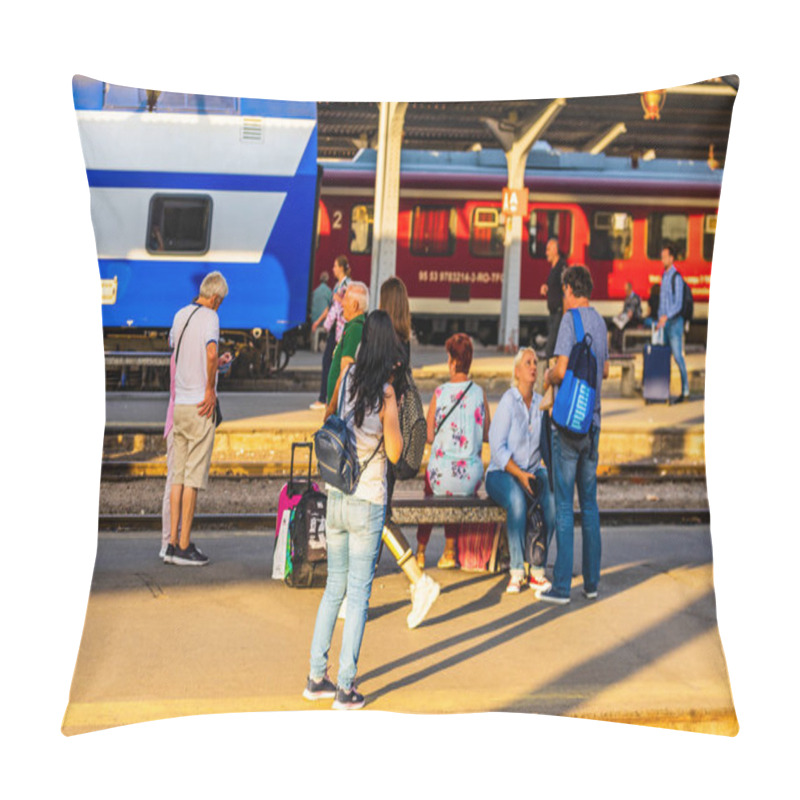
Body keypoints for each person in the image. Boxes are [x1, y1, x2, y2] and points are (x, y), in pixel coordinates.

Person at [303, 310, 404, 710]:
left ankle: (316, 677)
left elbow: (330, 416)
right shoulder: (385, 393)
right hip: (367, 502)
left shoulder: (346, 379)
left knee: (334, 589)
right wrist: (391, 409)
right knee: (359, 597)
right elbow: (394, 452)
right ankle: (346, 686)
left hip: (337, 496)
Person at [539, 265, 609, 604]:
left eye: (564, 291)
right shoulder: (600, 322)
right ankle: (592, 584)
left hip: (567, 426)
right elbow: (605, 369)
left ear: (569, 289)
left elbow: (563, 369)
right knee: (591, 506)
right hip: (592, 423)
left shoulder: (571, 321)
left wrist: (550, 373)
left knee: (565, 505)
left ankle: (563, 587)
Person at [378, 276, 441, 630]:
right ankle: (355, 593)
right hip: (395, 439)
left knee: (380, 516)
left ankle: (420, 581)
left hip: (385, 440)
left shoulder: (388, 347)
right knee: (378, 515)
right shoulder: (403, 343)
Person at [163, 271, 228, 566]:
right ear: (214, 298)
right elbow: (211, 353)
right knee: (192, 479)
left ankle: (171, 545)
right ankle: (185, 545)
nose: (219, 306)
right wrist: (209, 389)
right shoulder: (210, 317)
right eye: (221, 302)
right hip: (200, 407)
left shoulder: (180, 315)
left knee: (177, 476)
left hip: (179, 407)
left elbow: (178, 352)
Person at [416, 333, 492, 571]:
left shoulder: (440, 393)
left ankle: (419, 552)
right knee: (455, 479)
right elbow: (488, 433)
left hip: (442, 478)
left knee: (434, 486)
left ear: (451, 360)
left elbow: (428, 436)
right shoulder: (479, 393)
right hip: (470, 478)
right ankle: (449, 551)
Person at [485, 347, 556, 593]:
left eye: (536, 362)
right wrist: (519, 475)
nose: (534, 366)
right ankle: (517, 571)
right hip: (501, 473)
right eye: (528, 363)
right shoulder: (508, 400)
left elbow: (548, 443)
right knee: (516, 500)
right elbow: (497, 447)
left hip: (532, 471)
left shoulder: (540, 403)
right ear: (517, 371)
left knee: (552, 501)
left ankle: (537, 568)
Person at [159, 347, 232, 561]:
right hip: (179, 422)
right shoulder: (179, 356)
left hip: (181, 420)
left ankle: (176, 541)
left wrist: (216, 364)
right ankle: (168, 543)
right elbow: (177, 390)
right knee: (176, 481)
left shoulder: (187, 354)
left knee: (178, 481)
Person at [310, 256, 351, 410]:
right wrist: (322, 322)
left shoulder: (347, 285)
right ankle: (327, 398)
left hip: (340, 330)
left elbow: (347, 305)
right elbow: (332, 307)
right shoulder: (337, 285)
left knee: (331, 363)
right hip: (335, 329)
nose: (333, 268)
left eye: (335, 266)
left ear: (341, 268)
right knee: (329, 363)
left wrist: (339, 300)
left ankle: (326, 399)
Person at [325, 281, 368, 417]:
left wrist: (331, 407)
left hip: (340, 409)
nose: (342, 304)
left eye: (345, 300)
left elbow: (345, 373)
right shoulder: (353, 326)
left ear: (355, 305)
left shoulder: (355, 329)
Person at [656, 245, 690, 403]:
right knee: (664, 359)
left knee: (677, 356)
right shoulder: (664, 277)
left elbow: (677, 304)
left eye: (664, 257)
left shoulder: (677, 278)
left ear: (671, 258)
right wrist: (659, 319)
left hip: (675, 323)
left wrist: (666, 317)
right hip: (665, 324)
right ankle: (664, 392)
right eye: (661, 257)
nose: (662, 260)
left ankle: (686, 390)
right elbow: (663, 302)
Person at [539, 236, 568, 358]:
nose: (546, 253)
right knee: (553, 341)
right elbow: (554, 285)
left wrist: (565, 313)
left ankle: (547, 366)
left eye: (548, 250)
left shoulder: (562, 267)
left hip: (559, 311)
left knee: (551, 343)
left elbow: (565, 289)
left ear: (555, 250)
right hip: (552, 310)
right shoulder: (553, 268)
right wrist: (546, 287)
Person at [611, 281, 643, 352]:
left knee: (620, 327)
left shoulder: (635, 298)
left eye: (626, 290)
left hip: (634, 319)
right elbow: (625, 311)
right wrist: (620, 315)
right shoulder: (627, 298)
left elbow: (631, 312)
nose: (625, 291)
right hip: (626, 318)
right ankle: (614, 346)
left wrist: (626, 315)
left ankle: (619, 347)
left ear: (630, 289)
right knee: (616, 325)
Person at [309, 271, 333, 352]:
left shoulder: (315, 291)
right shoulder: (329, 291)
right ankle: (324, 341)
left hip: (314, 319)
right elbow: (331, 307)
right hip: (323, 320)